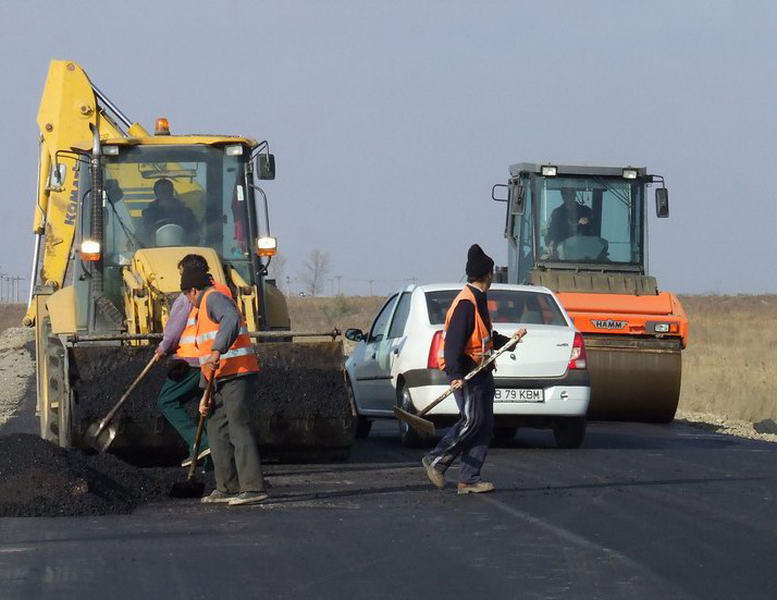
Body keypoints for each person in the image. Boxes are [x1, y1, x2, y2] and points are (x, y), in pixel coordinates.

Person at [421, 244, 526, 494]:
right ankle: (436, 460)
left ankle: (469, 479)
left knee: (484, 424)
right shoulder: (466, 303)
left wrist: (509, 342)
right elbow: (454, 342)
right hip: (468, 373)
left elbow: (484, 336)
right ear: (488, 274)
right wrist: (456, 375)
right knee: (472, 420)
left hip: (482, 371)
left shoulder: (478, 299)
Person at [180, 265, 267, 506]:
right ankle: (227, 486)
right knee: (217, 428)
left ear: (193, 291)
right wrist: (203, 394)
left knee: (238, 425)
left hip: (237, 374)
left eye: (187, 296)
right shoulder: (201, 312)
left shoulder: (214, 299)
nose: (188, 300)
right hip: (219, 378)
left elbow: (231, 319)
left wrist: (219, 349)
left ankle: (252, 487)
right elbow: (206, 357)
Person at [155, 254, 232, 468]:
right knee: (207, 409)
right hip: (217, 360)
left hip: (192, 360)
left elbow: (174, 328)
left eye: (181, 274)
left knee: (167, 400)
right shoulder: (223, 291)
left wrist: (163, 348)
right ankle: (208, 462)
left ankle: (202, 444)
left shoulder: (189, 294)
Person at [141, 179, 199, 246]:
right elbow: (142, 235)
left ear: (172, 192)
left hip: (184, 249)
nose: (165, 193)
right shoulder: (149, 213)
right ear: (156, 193)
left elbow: (196, 232)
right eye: (162, 191)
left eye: (168, 191)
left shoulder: (186, 213)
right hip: (154, 250)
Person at [544, 189, 594, 255]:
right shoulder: (557, 213)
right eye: (565, 194)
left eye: (571, 193)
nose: (568, 197)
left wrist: (588, 220)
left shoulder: (586, 211)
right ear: (562, 196)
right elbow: (551, 233)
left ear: (575, 194)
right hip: (562, 255)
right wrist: (551, 241)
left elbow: (594, 229)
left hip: (586, 254)